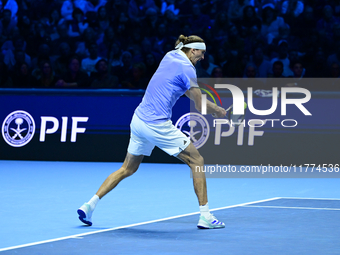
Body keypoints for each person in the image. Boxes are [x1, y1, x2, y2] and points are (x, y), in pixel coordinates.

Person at [77, 35, 226, 229]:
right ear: (193, 50)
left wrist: (212, 108)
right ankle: (205, 216)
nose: (203, 58)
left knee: (127, 169)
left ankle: (89, 205)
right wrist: (218, 111)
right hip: (157, 125)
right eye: (202, 53)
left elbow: (187, 92)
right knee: (197, 161)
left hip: (138, 120)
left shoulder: (170, 55)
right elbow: (198, 103)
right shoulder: (188, 68)